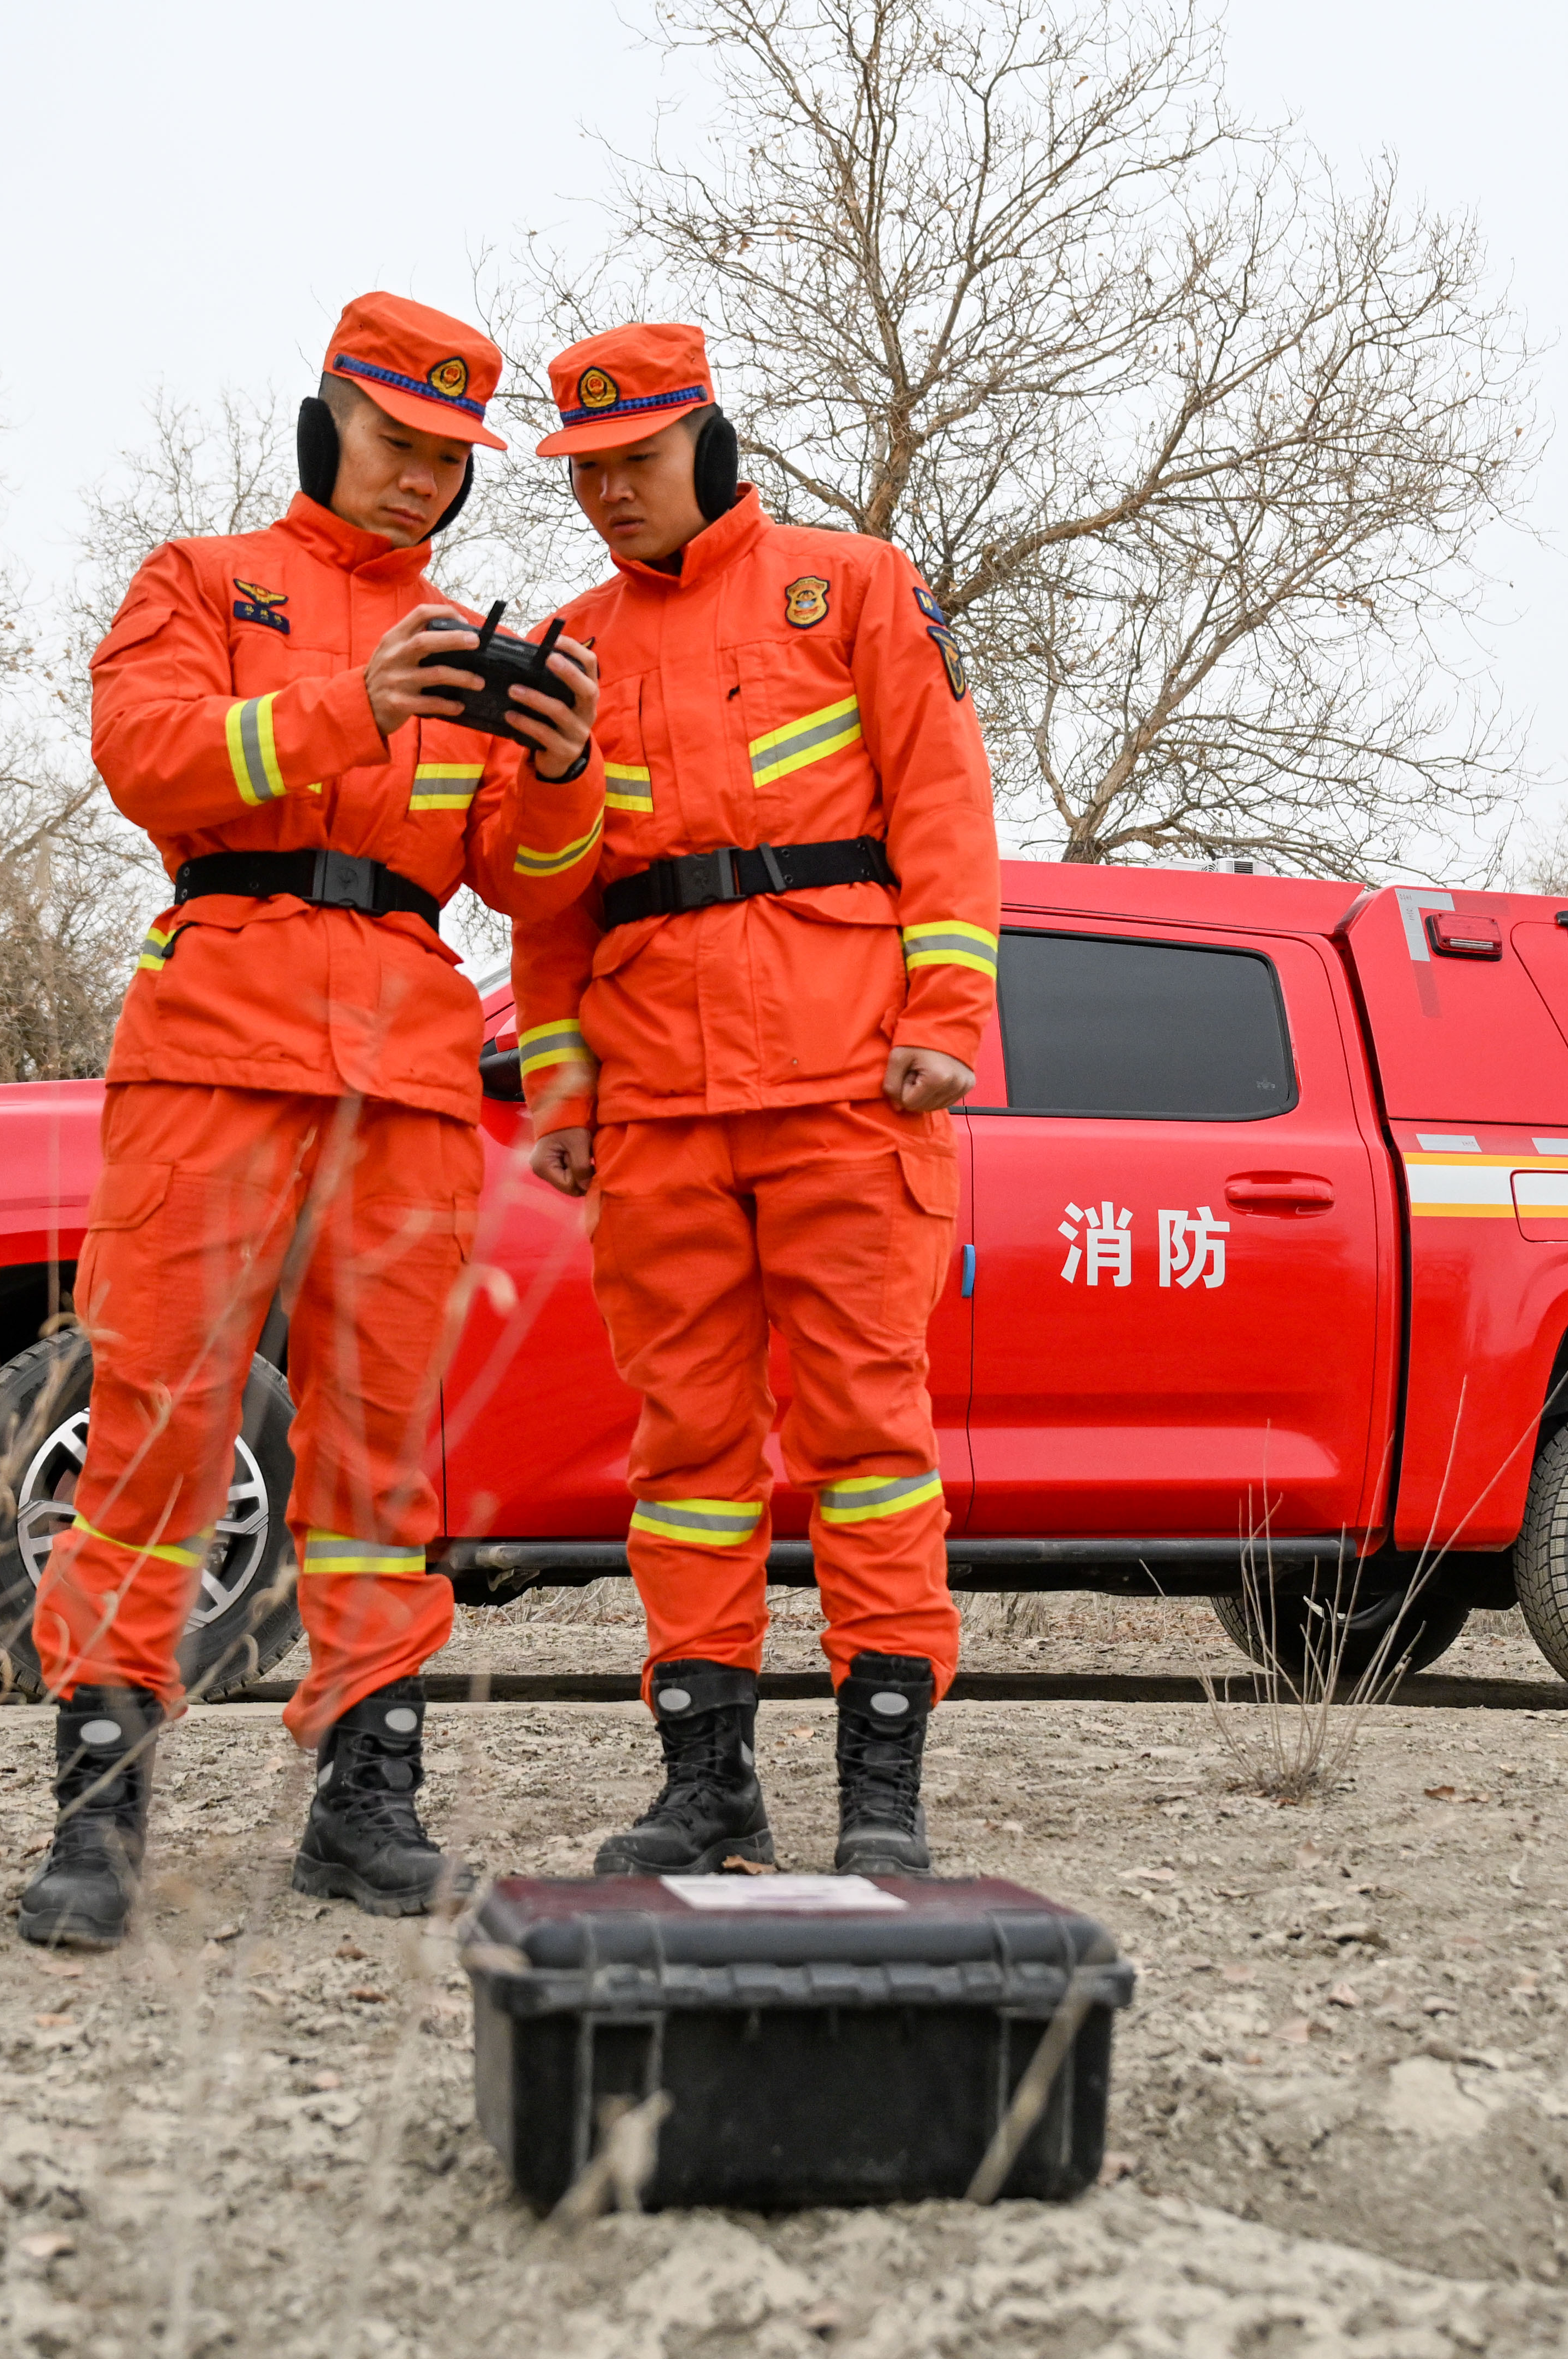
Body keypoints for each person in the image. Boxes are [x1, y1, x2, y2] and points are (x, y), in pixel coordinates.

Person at [15, 293, 605, 1949]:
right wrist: (357, 706)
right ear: (323, 421)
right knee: (157, 1422)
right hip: (213, 1040)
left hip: (410, 1069)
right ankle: (98, 1815)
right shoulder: (200, 581)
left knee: (385, 1448)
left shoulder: (468, 638)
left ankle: (366, 1804)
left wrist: (558, 766)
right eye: (396, 442)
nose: (421, 481)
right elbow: (146, 759)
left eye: (449, 460)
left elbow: (526, 877)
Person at [510, 322, 998, 1876]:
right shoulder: (572, 641)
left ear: (707, 439)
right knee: (687, 1457)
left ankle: (884, 1790)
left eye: (634, 466)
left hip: (849, 1084)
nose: (609, 499)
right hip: (657, 1106)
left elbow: (941, 800)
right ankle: (708, 1781)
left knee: (868, 1434)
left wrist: (949, 1008)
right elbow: (549, 899)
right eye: (586, 476)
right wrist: (562, 1079)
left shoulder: (851, 583)